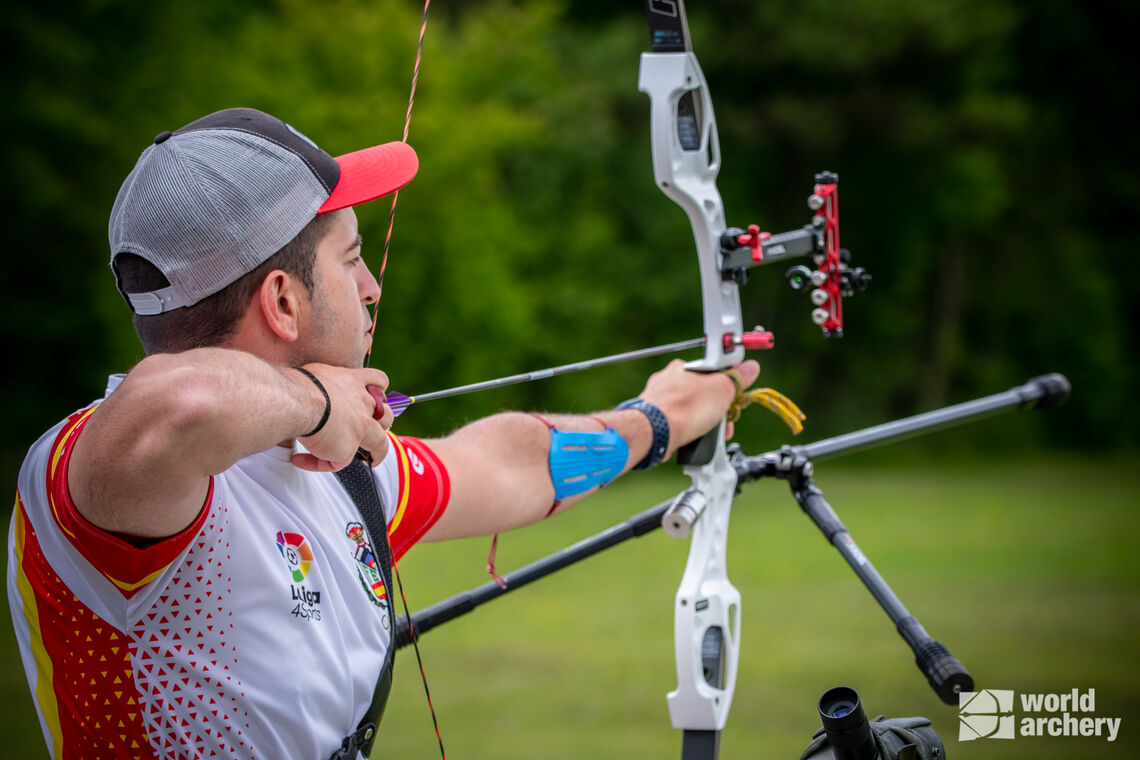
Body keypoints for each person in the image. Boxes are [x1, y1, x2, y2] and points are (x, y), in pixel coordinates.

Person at [7, 107, 759, 759]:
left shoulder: (332, 467)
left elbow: (505, 467)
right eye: (351, 257)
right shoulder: (98, 479)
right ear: (282, 301)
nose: (371, 286)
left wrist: (658, 420)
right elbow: (183, 403)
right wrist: (317, 401)